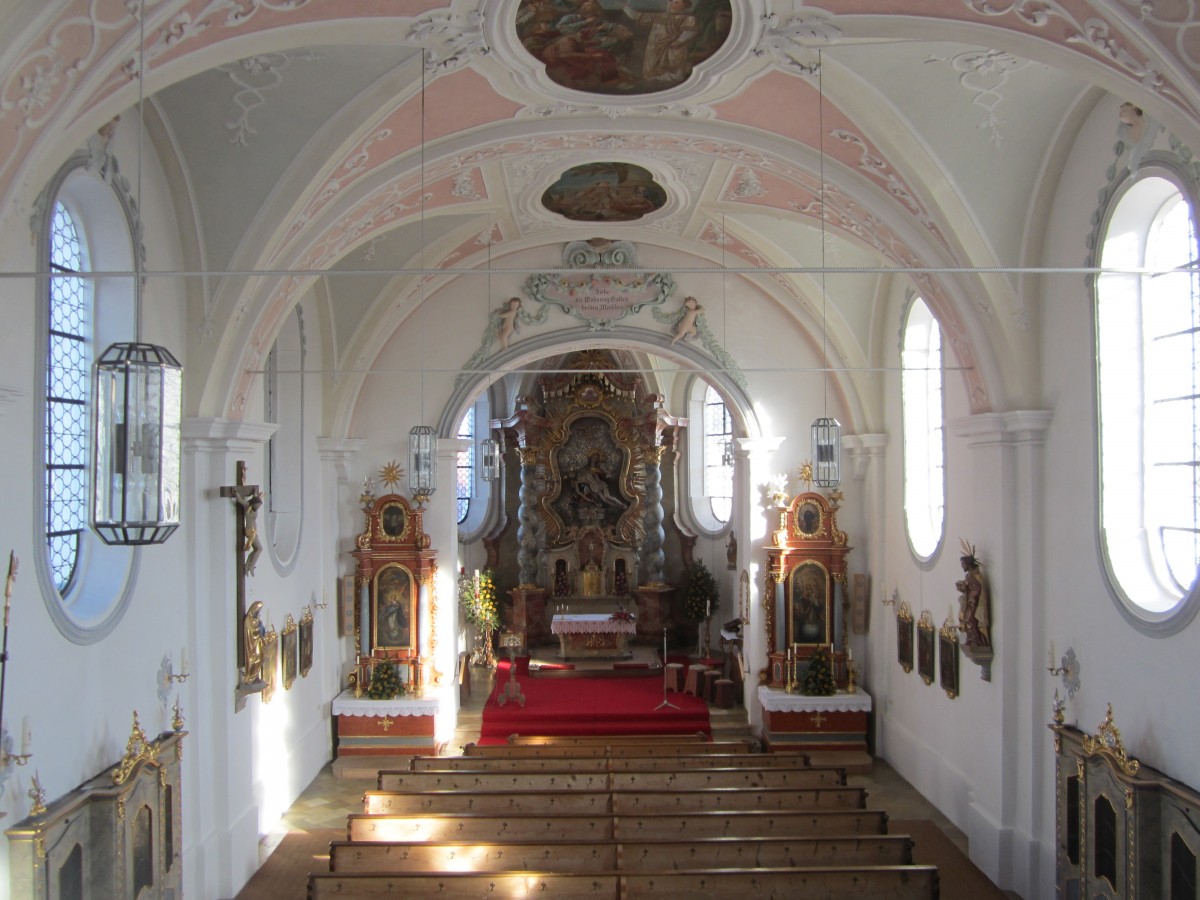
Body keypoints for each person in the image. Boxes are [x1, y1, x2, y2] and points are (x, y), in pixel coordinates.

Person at [624, 0, 698, 85]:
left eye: (676, 2)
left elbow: (690, 31)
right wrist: (625, 7)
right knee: (650, 74)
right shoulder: (658, 16)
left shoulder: (687, 18)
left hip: (672, 48)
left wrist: (679, 41)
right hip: (654, 48)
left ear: (684, 5)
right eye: (670, 1)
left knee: (675, 74)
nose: (671, 3)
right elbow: (637, 16)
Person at [956, 543, 991, 648]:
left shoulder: (976, 575)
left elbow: (977, 589)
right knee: (967, 620)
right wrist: (962, 587)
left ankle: (977, 640)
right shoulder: (969, 575)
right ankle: (972, 639)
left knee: (970, 620)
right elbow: (968, 587)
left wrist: (970, 595)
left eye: (963, 564)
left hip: (974, 603)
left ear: (967, 563)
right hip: (970, 602)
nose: (962, 567)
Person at [237, 488, 264, 576]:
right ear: (254, 504)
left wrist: (255, 491)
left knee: (256, 549)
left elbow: (255, 497)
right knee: (259, 548)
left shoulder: (253, 507)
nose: (258, 507)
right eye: (258, 505)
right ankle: (251, 566)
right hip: (250, 532)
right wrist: (235, 492)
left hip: (253, 531)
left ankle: (248, 565)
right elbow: (240, 500)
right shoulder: (247, 505)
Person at [243, 600, 266, 684]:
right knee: (256, 658)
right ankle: (251, 677)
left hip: (259, 642)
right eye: (258, 610)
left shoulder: (255, 618)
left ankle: (255, 676)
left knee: (261, 658)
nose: (258, 612)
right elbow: (251, 630)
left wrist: (260, 626)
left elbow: (260, 629)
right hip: (253, 644)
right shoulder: (248, 619)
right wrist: (259, 628)